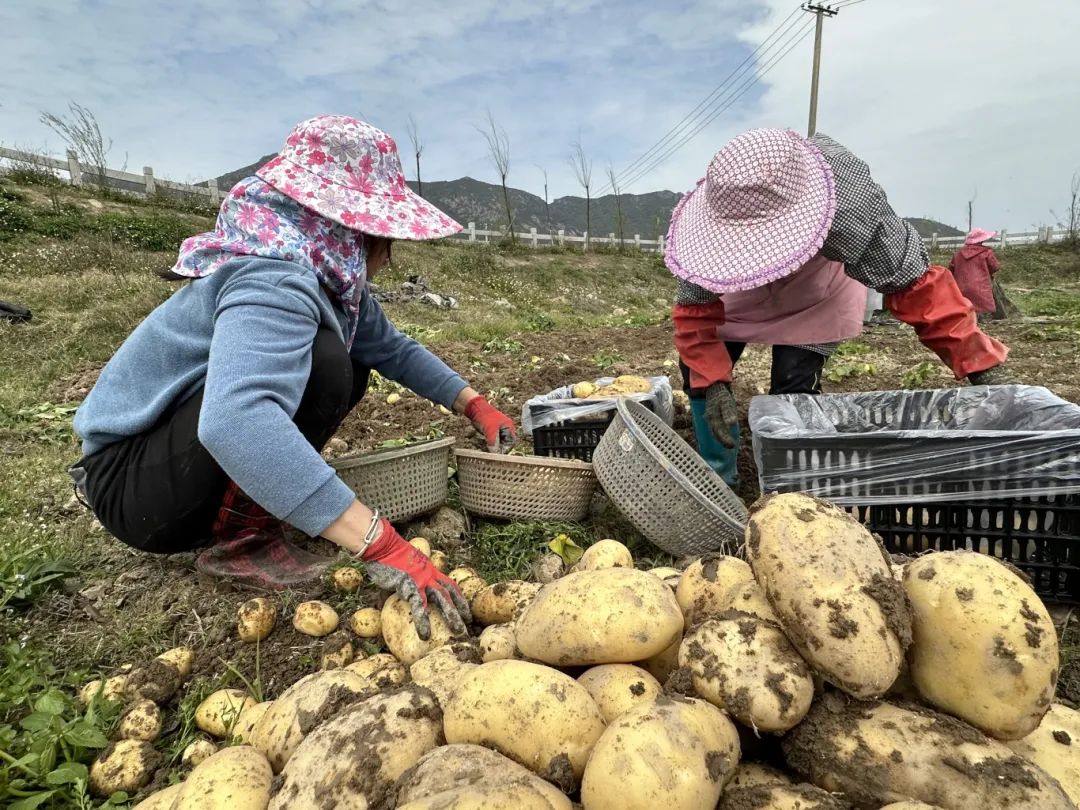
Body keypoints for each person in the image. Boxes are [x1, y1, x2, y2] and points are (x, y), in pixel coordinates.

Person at [69, 115, 516, 637]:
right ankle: (240, 544)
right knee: (327, 365)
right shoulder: (273, 278)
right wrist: (382, 545)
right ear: (349, 226)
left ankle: (250, 516)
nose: (387, 256)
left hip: (158, 466)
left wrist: (474, 405)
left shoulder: (319, 276)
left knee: (347, 362)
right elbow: (236, 422)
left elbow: (392, 348)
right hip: (132, 488)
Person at [665, 128, 1012, 485]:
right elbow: (695, 316)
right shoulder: (704, 234)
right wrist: (711, 384)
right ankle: (717, 476)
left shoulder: (846, 200)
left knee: (793, 384)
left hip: (815, 294)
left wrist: (980, 363)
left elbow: (915, 286)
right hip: (735, 292)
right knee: (700, 379)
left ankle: (791, 483)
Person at [949, 228, 1001, 319]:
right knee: (983, 309)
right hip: (981, 287)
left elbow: (951, 269)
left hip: (961, 287)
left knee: (965, 307)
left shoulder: (958, 254)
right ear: (982, 240)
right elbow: (995, 267)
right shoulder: (986, 253)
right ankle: (983, 320)